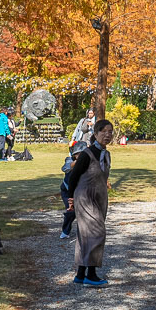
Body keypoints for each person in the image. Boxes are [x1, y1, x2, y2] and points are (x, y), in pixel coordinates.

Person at [64, 119, 114, 286]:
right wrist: (70, 198)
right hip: (85, 198)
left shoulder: (106, 154)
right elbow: (73, 176)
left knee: (85, 235)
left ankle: (80, 274)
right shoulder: (87, 153)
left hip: (99, 199)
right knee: (96, 233)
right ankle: (91, 275)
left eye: (110, 132)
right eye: (104, 131)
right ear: (96, 134)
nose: (107, 135)